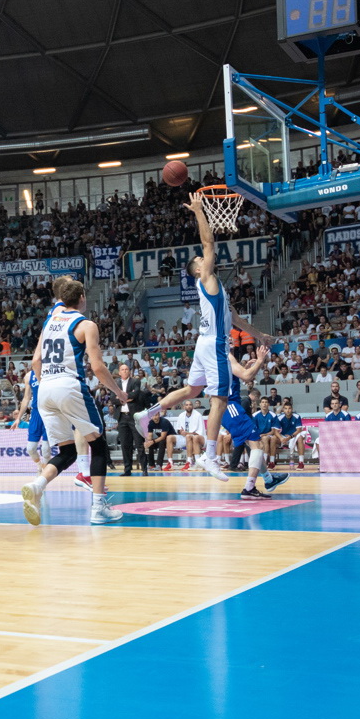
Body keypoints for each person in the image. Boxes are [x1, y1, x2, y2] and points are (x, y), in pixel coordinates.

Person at [136, 190, 273, 481]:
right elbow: (209, 242)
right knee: (219, 399)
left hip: (204, 344)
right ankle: (209, 457)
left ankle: (147, 414)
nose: (204, 258)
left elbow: (236, 319)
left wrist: (261, 335)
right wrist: (199, 210)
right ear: (199, 269)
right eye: (201, 260)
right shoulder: (207, 278)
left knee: (192, 390)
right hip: (214, 345)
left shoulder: (218, 291)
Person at [20, 279, 126, 525]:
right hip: (68, 385)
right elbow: (97, 367)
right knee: (97, 444)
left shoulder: (49, 321)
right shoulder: (86, 324)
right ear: (81, 297)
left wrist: (45, 382)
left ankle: (37, 485)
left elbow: (36, 362)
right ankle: (99, 508)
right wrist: (117, 391)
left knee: (67, 451)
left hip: (44, 388)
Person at [223, 346, 290, 499]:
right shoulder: (224, 355)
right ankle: (249, 488)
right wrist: (260, 360)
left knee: (255, 447)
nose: (232, 339)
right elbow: (247, 377)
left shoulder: (225, 357)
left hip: (228, 408)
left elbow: (236, 376)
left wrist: (244, 368)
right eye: (229, 337)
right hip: (231, 408)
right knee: (257, 445)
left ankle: (268, 480)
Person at [12, 369, 52, 471]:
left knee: (46, 450)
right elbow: (26, 397)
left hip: (50, 412)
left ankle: (44, 473)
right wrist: (18, 418)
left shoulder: (51, 370)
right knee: (30, 448)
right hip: (36, 414)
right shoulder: (29, 375)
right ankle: (39, 467)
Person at [114, 363, 147, 476]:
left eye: (126, 369)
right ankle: (127, 470)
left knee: (139, 444)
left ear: (130, 371)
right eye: (122, 369)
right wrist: (125, 399)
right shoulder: (115, 383)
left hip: (134, 417)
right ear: (119, 372)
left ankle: (144, 469)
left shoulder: (135, 381)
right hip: (122, 417)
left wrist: (122, 397)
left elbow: (135, 394)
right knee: (125, 445)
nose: (124, 371)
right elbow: (113, 399)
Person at [277, 402, 309, 469]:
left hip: (294, 436)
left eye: (289, 408)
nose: (287, 410)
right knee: (273, 439)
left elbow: (299, 430)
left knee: (300, 438)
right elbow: (275, 431)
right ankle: (270, 462)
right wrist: (281, 438)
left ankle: (301, 462)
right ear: (283, 409)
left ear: (292, 409)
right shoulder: (280, 417)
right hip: (284, 437)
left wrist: (290, 437)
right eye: (285, 408)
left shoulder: (296, 416)